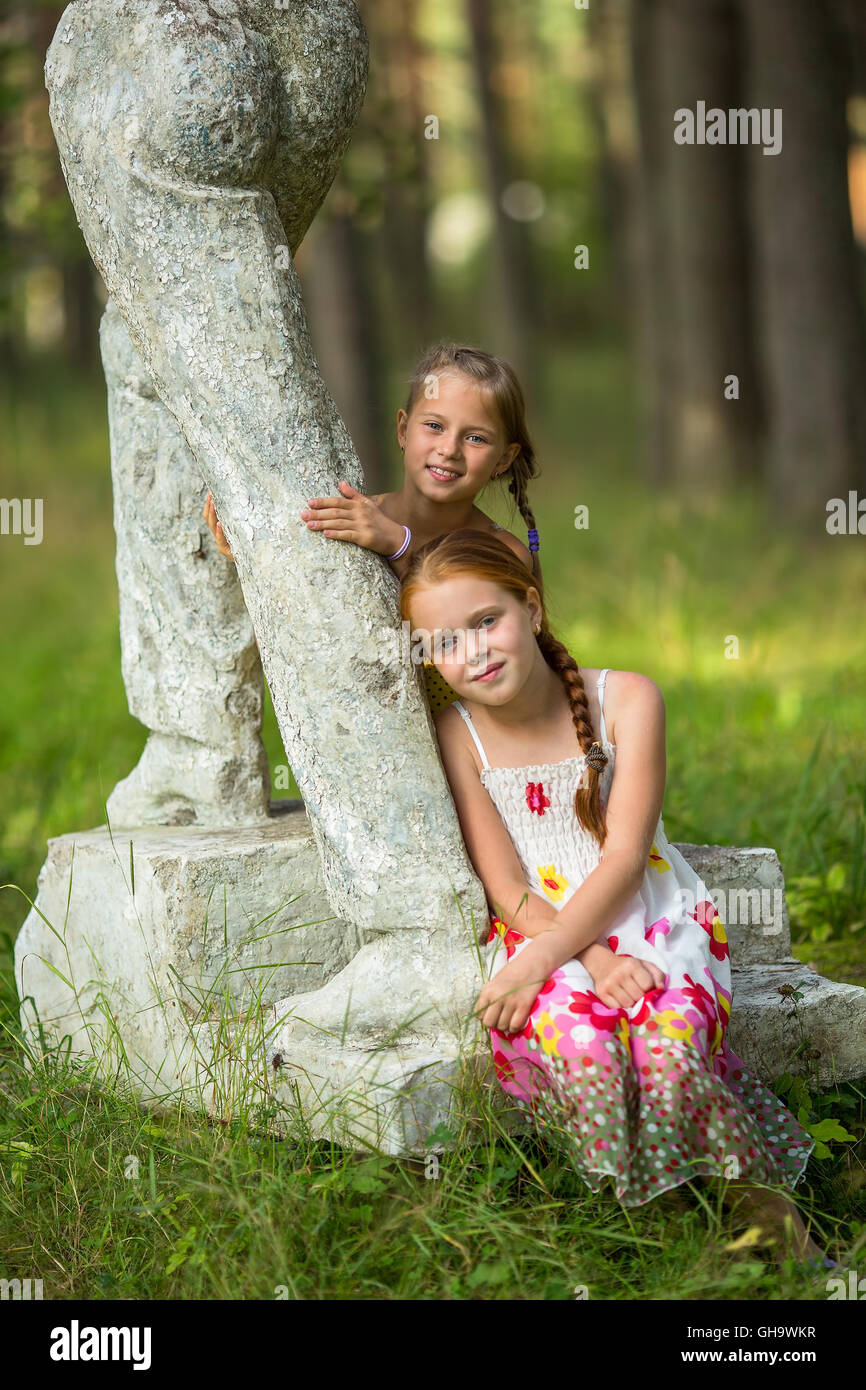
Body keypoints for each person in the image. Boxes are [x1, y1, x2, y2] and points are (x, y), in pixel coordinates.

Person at [399, 527, 834, 1268]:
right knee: (590, 1051)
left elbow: (627, 858)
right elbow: (507, 887)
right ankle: (663, 1245)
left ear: (531, 609)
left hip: (654, 921)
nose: (473, 651)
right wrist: (581, 960)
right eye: (445, 642)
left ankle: (785, 1245)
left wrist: (564, 958)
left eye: (486, 620)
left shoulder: (626, 699)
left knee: (669, 1053)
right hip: (543, 931)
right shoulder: (458, 733)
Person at [203, 342, 542, 711]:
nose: (449, 449)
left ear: (504, 459)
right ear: (402, 430)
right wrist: (256, 561)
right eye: (434, 426)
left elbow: (450, 606)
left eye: (475, 438)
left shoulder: (505, 553)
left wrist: (399, 544)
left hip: (464, 741)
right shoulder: (356, 517)